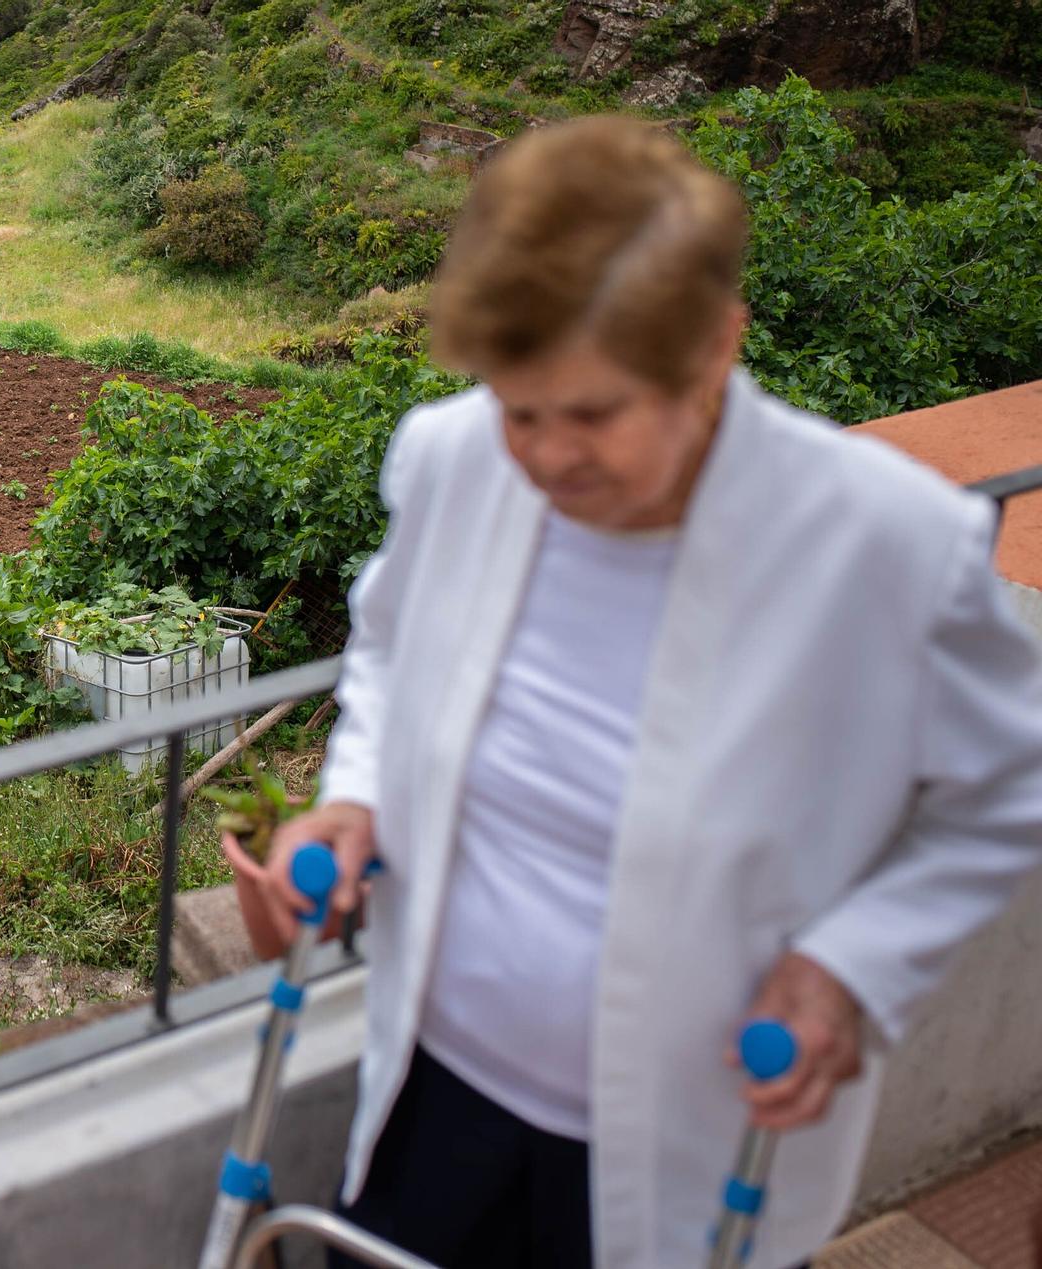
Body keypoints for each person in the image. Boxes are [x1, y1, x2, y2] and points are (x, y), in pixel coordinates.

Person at [243, 115, 1042, 1269]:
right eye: (520, 408)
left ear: (713, 348)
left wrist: (849, 968)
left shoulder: (884, 544)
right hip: (436, 1077)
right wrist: (355, 794)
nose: (547, 456)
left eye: (594, 414)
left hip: (687, 1128)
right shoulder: (446, 455)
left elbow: (1008, 785)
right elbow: (384, 649)